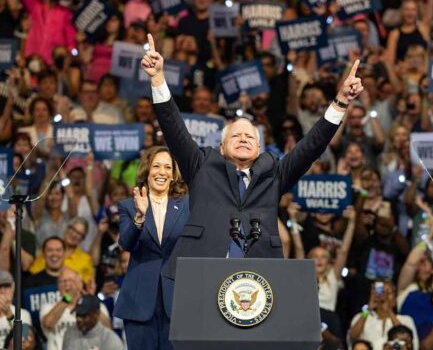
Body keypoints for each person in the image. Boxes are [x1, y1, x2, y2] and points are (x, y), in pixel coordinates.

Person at [141, 33, 364, 280]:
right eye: (236, 136)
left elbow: (312, 145)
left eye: (250, 137)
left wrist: (341, 101)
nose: (244, 139)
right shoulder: (201, 165)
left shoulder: (274, 174)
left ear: (259, 148)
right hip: (200, 272)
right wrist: (158, 78)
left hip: (259, 278)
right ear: (222, 147)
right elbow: (174, 129)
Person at [113, 146, 189, 350]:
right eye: (156, 166)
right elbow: (126, 243)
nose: (162, 172)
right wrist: (140, 216)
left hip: (176, 299)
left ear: (173, 175)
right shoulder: (129, 206)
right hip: (139, 303)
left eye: (167, 167)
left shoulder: (187, 206)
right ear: (147, 170)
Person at [0, 270, 32, 347]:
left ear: (13, 289)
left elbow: (24, 339)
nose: (2, 291)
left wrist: (8, 313)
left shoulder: (23, 314)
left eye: (6, 286)